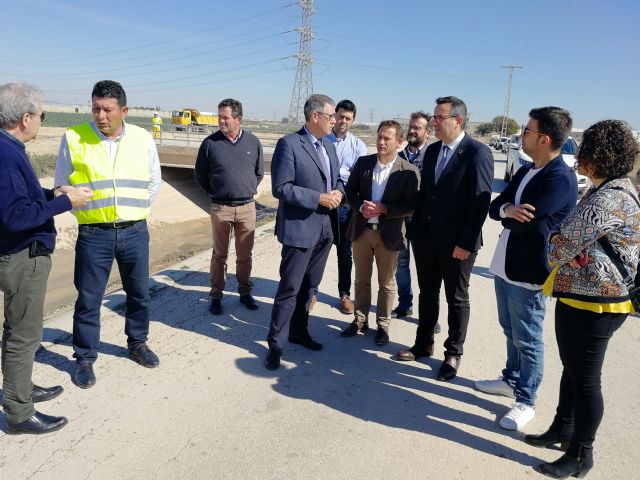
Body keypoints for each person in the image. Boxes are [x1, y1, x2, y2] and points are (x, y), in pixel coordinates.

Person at [525, 120, 640, 479]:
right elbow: (571, 243)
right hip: (583, 296)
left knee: (586, 380)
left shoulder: (608, 198)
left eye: (586, 149)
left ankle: (580, 454)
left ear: (598, 155)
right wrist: (568, 245)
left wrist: (558, 242)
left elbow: (559, 245)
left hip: (596, 302)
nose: (580, 158)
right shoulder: (611, 189)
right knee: (573, 370)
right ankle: (563, 429)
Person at [474, 107, 578, 431]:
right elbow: (495, 207)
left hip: (530, 272)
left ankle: (526, 400)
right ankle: (511, 379)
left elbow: (526, 224)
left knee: (528, 339)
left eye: (527, 130)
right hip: (506, 265)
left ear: (544, 139)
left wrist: (508, 213)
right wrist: (508, 209)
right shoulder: (527, 170)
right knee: (510, 329)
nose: (522, 135)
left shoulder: (559, 178)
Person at [54, 80, 162, 389]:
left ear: (124, 111)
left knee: (139, 293)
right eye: (96, 109)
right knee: (89, 299)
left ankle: (138, 343)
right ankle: (84, 358)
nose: (101, 116)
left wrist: (133, 210)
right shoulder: (74, 137)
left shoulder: (142, 138)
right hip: (94, 234)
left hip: (135, 231)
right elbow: (61, 184)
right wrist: (87, 212)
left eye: (107, 110)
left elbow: (154, 181)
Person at [0, 83, 93, 434]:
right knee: (24, 335)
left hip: (17, 253)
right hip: (22, 256)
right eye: (42, 114)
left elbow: (19, 197)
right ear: (25, 118)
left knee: (16, 329)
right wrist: (67, 202)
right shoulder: (7, 155)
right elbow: (16, 216)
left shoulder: (7, 148)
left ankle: (20, 388)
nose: (42, 120)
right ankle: (19, 413)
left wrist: (51, 193)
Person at [396, 96, 494, 382]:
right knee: (427, 293)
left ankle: (453, 353)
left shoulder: (477, 152)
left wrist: (466, 242)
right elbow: (426, 193)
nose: (434, 123)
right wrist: (415, 229)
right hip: (426, 238)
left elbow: (479, 203)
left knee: (457, 298)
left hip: (457, 243)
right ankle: (423, 343)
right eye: (434, 117)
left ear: (458, 121)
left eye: (439, 118)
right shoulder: (433, 150)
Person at [265, 94, 344, 370]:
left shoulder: (329, 145)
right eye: (331, 116)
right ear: (315, 117)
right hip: (300, 229)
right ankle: (276, 343)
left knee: (310, 286)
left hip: (325, 229)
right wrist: (318, 198)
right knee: (290, 288)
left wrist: (339, 193)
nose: (335, 121)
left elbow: (338, 179)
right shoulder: (289, 144)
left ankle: (299, 331)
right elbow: (281, 187)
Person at [340, 120, 419, 345]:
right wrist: (359, 207)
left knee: (386, 283)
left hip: (389, 234)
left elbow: (411, 205)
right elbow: (350, 191)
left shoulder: (408, 171)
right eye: (379, 137)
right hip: (362, 232)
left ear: (399, 142)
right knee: (361, 279)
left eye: (387, 138)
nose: (381, 142)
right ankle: (360, 320)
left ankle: (383, 324)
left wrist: (385, 209)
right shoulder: (364, 163)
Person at [195, 98, 264, 315]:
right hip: (220, 208)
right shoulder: (209, 143)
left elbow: (259, 173)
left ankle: (245, 292)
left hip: (247, 208)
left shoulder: (253, 142)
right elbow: (200, 174)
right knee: (219, 255)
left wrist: (244, 188)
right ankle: (216, 295)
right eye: (219, 117)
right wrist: (216, 192)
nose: (221, 121)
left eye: (225, 117)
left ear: (238, 119)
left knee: (245, 255)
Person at [322, 99, 368, 315]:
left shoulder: (358, 146)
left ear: (353, 120)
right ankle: (311, 292)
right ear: (334, 116)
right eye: (340, 116)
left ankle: (344, 295)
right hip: (322, 204)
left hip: (345, 207)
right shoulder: (322, 140)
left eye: (348, 118)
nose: (343, 121)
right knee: (317, 250)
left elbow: (360, 178)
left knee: (345, 253)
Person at [392, 111, 433, 323]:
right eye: (411, 126)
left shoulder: (433, 156)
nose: (412, 131)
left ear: (427, 133)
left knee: (426, 269)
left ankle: (429, 316)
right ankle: (405, 304)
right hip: (400, 219)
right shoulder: (399, 156)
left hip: (423, 222)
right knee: (401, 264)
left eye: (418, 128)